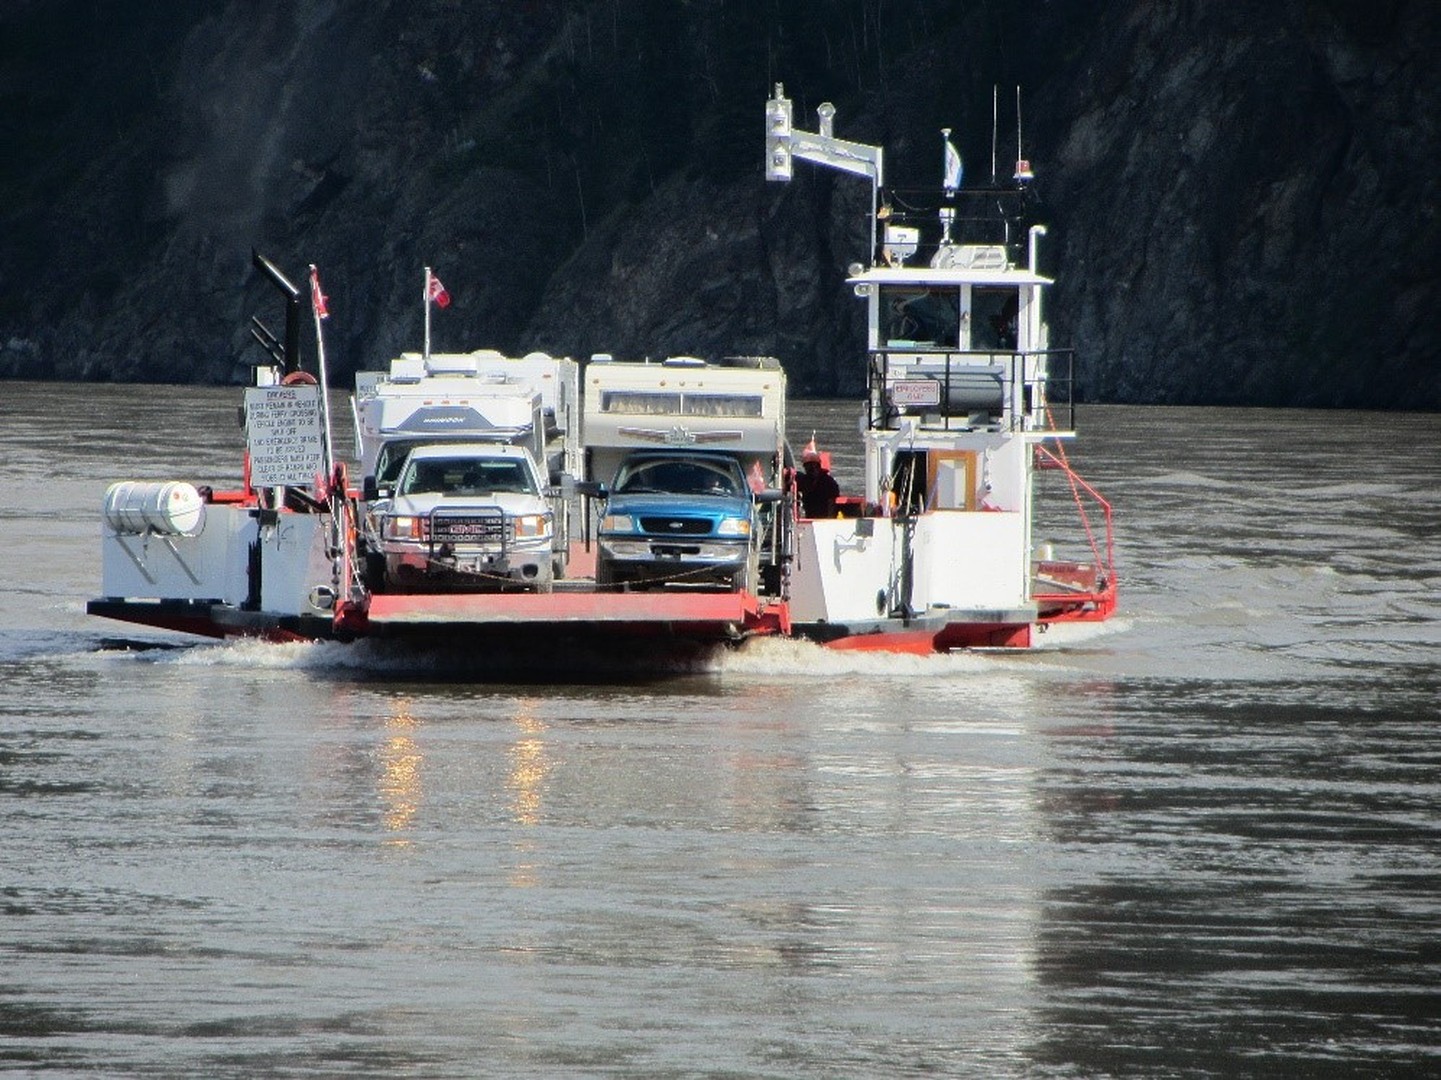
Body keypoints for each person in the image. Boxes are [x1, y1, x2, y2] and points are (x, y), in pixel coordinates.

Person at [795, 441, 839, 518]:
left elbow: (832, 503)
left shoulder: (828, 482)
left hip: (824, 517)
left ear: (818, 466)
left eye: (813, 466)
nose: (811, 468)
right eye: (808, 466)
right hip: (810, 515)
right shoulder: (804, 480)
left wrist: (829, 520)